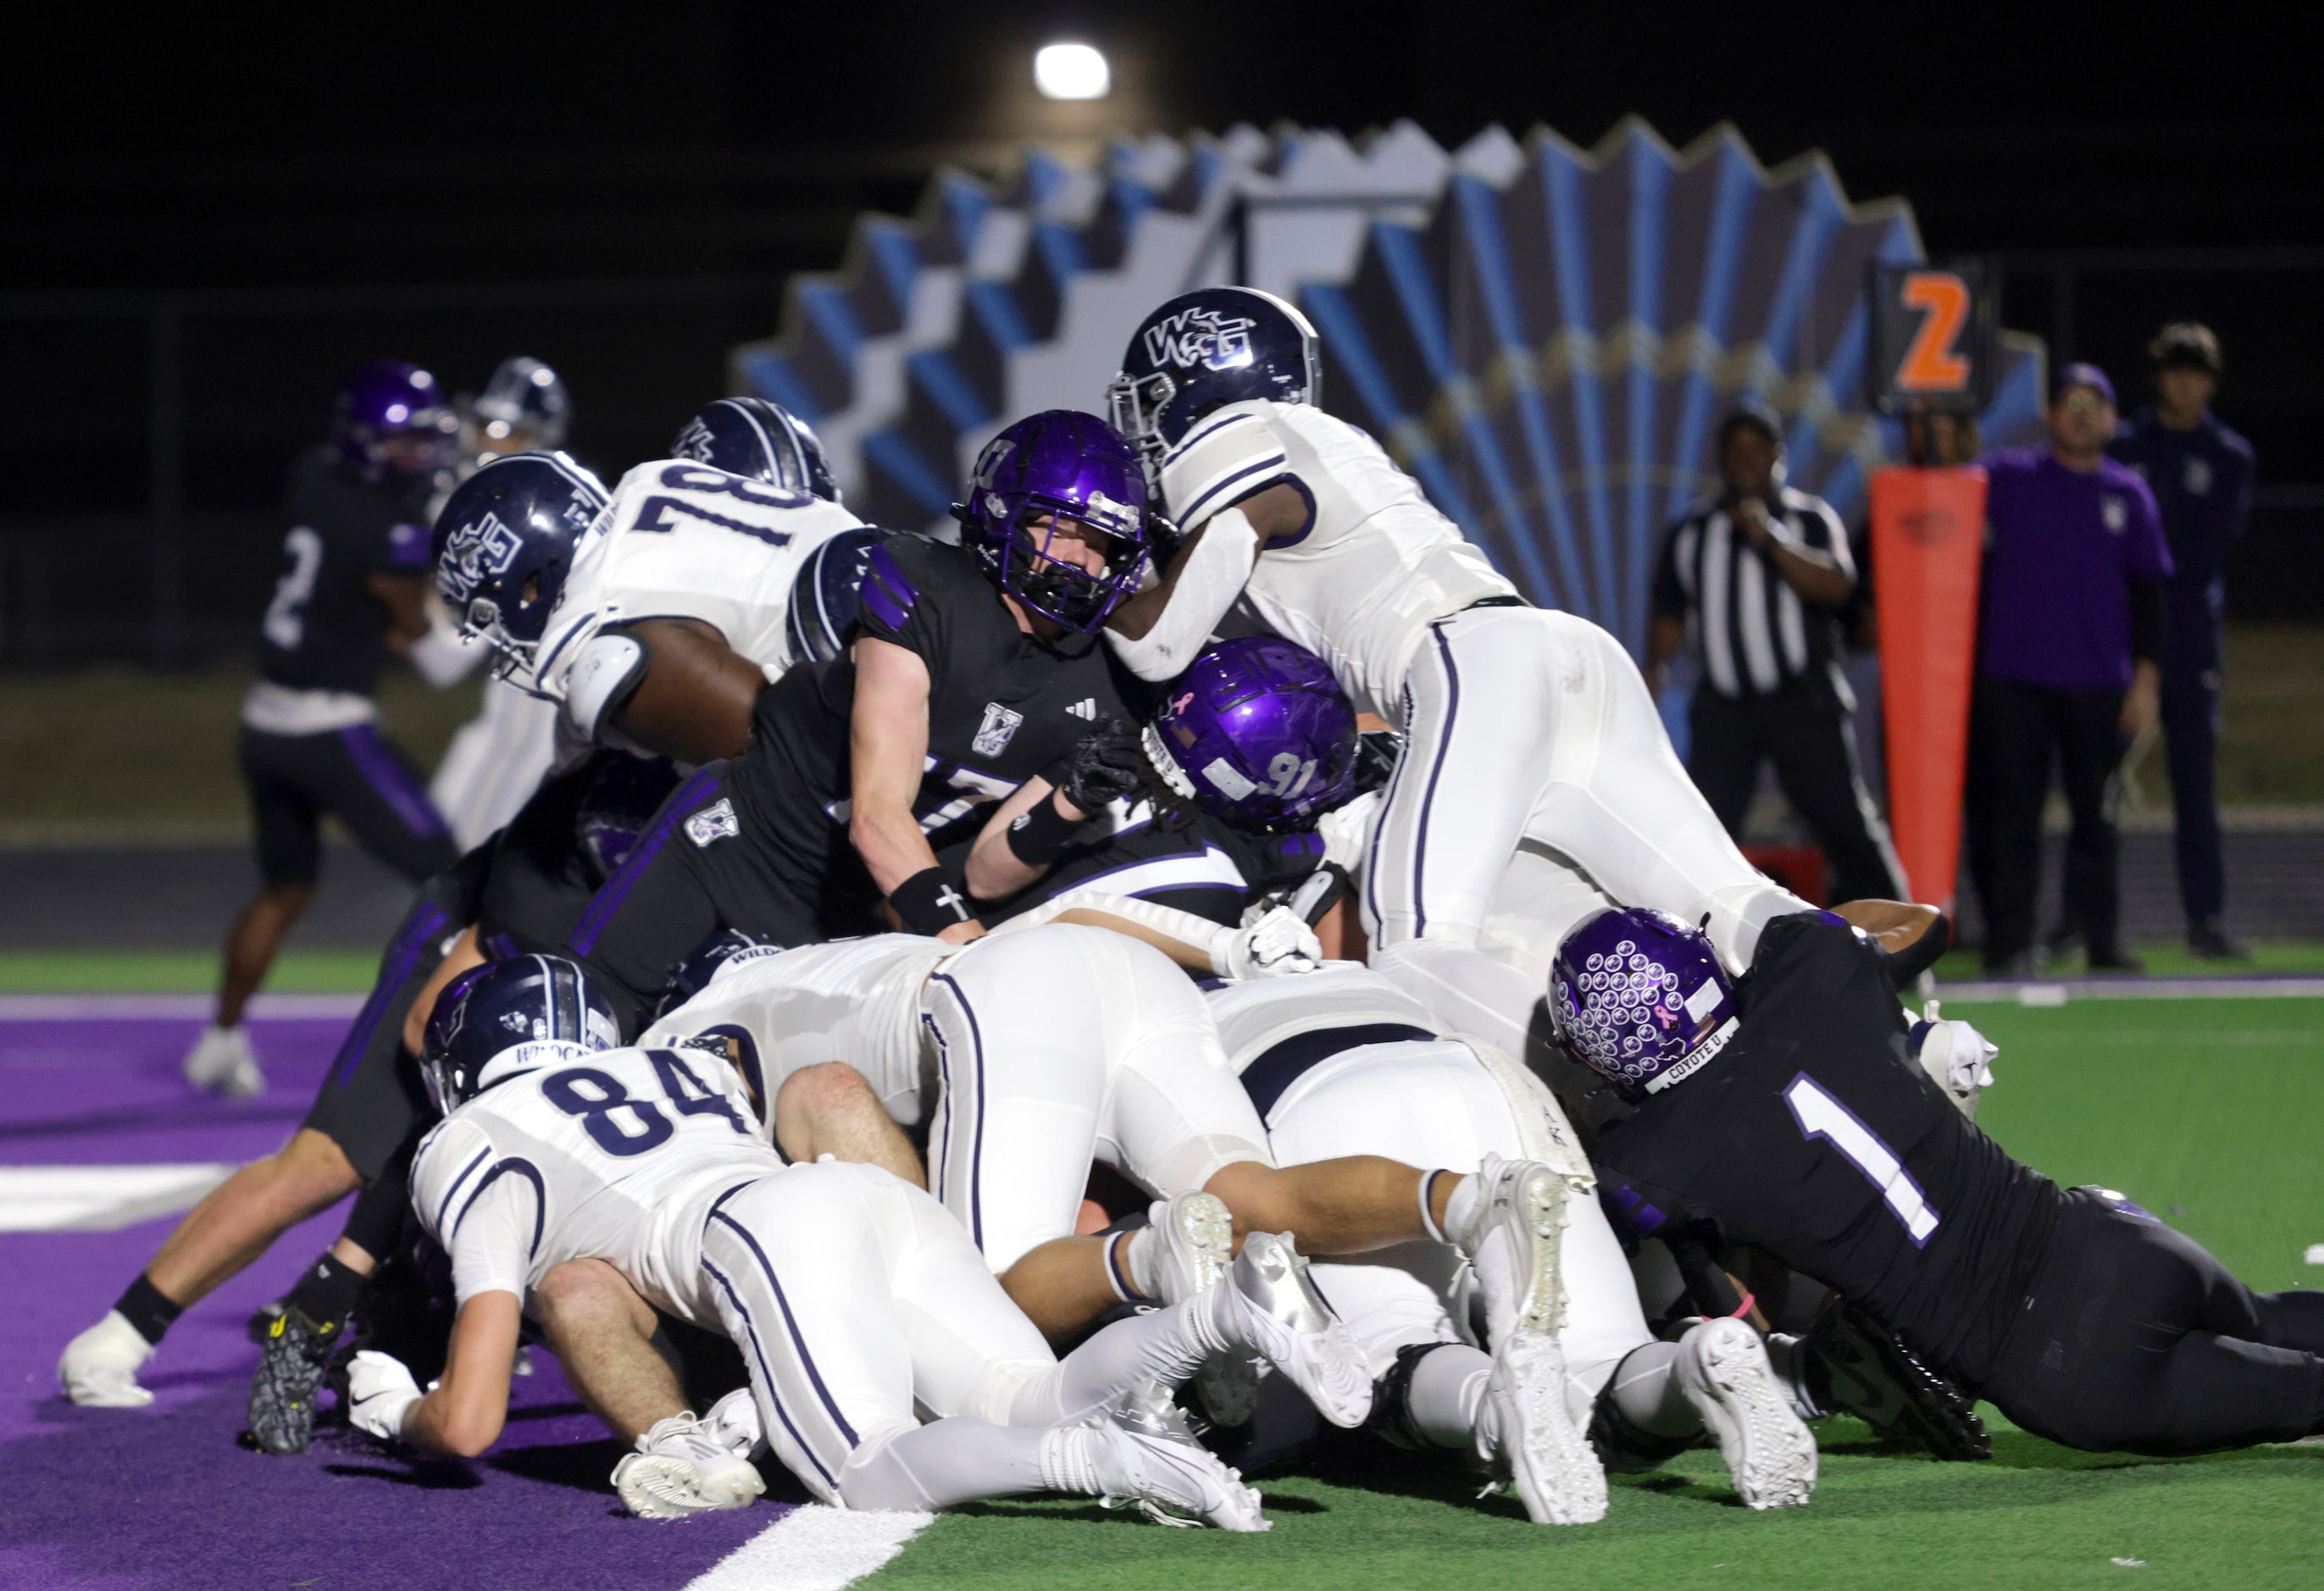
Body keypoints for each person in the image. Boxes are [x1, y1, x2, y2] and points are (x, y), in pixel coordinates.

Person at [354, 952, 1354, 1528]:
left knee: (874, 1471)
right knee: (1024, 1389)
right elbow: (590, 1268)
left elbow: (477, 1416)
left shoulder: (467, 1140)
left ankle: (1104, 1462)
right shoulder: (679, 1072)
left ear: (460, 1073)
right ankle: (1226, 1308)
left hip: (766, 1237)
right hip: (868, 1204)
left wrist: (404, 1414)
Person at [1100, 287, 1813, 1071]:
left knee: (1416, 953)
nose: (1144, 427)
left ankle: (1620, 1097)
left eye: (1152, 402)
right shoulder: (1326, 440)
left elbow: (1160, 644)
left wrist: (1087, 581)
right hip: (1569, 654)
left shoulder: (1233, 433)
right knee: (1732, 904)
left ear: (1201, 377)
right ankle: (1888, 1029)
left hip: (1468, 664)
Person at [1556, 902, 2324, 1456]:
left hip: (2058, 1366)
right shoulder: (1809, 961)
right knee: (2268, 1318)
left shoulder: (1647, 1164)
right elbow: (1913, 921)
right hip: (2112, 1243)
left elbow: (1738, 1331)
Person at [55, 751, 673, 1416]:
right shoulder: (562, 880)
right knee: (333, 1158)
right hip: (473, 970)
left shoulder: (734, 841)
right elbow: (425, 1024)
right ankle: (118, 1337)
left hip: (584, 951)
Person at [563, 410, 1154, 1025]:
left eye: (1100, 543)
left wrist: (1068, 804)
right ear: (1003, 514)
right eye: (1057, 528)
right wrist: (976, 958)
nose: (1079, 559)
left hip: (846, 916)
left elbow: (984, 874)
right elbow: (876, 818)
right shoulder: (928, 587)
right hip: (739, 842)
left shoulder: (1103, 687)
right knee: (586, 1015)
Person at [1205, 961, 1816, 1520]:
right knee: (1603, 1351)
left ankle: (1493, 1404)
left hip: (1320, 1101)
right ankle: (1694, 1359)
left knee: (1389, 1354)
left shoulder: (1172, 1007)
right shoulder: (1352, 968)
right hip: (1484, 1079)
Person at [180, 362, 466, 1099]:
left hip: (264, 721)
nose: (417, 456)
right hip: (327, 730)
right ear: (370, 443)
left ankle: (218, 1041)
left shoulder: (314, 474)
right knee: (460, 884)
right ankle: (448, 1047)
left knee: (284, 891)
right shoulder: (386, 530)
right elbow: (437, 661)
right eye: (404, 444)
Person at [1647, 402, 1905, 906]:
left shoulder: (1809, 520)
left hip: (1802, 701)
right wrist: (1653, 669)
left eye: (1757, 448)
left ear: (1778, 456)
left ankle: (1901, 938)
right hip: (1726, 707)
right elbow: (1669, 612)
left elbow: (1836, 586)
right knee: (1703, 830)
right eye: (1735, 449)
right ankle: (1690, 946)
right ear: (1720, 459)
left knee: (1846, 824)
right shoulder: (1692, 533)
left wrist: (1770, 539)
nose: (1746, 459)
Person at [1967, 363, 2172, 975]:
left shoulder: (2129, 495)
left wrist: (2145, 683)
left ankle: (2100, 944)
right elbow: (1945, 499)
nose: (2081, 414)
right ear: (2052, 416)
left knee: (2096, 821)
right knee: (2012, 819)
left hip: (2097, 683)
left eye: (2094, 404)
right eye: (2069, 403)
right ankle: (2009, 944)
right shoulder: (2007, 477)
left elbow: (2150, 598)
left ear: (2110, 419)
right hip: (2014, 677)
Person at [2108, 324, 2257, 960]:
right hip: (2120, 635)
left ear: (2211, 380)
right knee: (2099, 784)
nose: (2185, 382)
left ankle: (2206, 920)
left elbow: (2197, 551)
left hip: (2190, 640)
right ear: (2156, 376)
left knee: (2194, 785)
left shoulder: (2228, 455)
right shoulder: (2120, 444)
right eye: (2174, 369)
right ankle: (2083, 923)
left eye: (2197, 371)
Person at [426, 355, 580, 849]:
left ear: (539, 441)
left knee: (466, 848)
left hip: (548, 701)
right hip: (528, 693)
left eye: (507, 431)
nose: (488, 442)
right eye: (484, 426)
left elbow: (445, 659)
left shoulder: (519, 515)